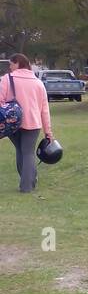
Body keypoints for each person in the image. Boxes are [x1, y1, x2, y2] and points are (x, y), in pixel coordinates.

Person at [3, 54, 54, 193]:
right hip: (33, 123)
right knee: (28, 153)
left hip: (12, 122)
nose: (10, 67)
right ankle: (28, 184)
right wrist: (48, 131)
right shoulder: (38, 83)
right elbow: (44, 110)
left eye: (11, 64)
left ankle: (28, 180)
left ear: (18, 63)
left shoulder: (6, 79)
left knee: (21, 151)